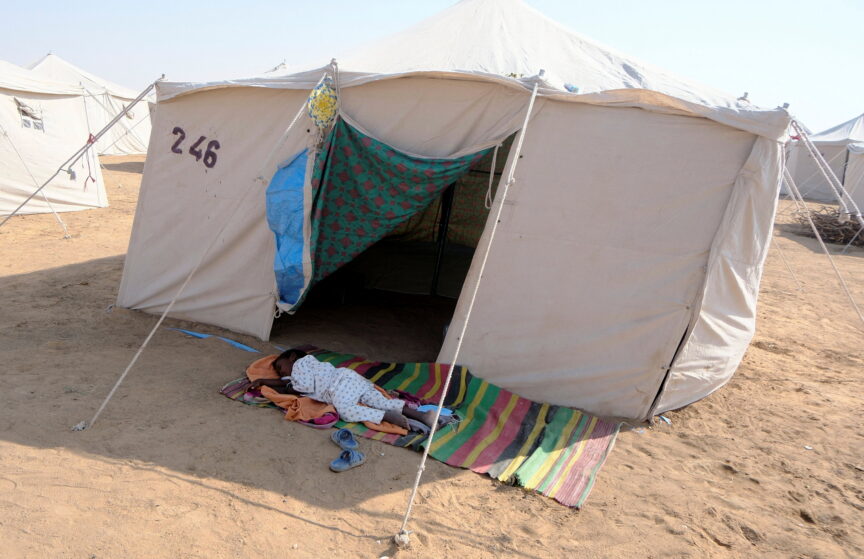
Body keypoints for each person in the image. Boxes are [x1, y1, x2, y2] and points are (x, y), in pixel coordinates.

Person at [248, 349, 441, 430]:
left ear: (291, 358)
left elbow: (300, 387)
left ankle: (385, 416)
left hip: (338, 384)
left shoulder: (301, 364)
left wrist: (286, 385)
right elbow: (287, 383)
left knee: (346, 410)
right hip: (353, 380)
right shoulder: (299, 372)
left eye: (280, 368)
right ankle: (422, 416)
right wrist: (264, 381)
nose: (282, 375)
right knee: (379, 400)